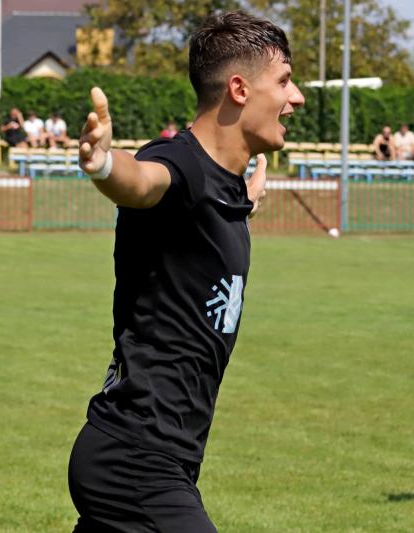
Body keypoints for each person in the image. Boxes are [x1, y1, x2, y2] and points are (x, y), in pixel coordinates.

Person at [68, 11, 305, 532]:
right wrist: (105, 164)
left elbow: (203, 208)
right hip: (135, 459)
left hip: (159, 456)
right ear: (239, 89)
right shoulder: (182, 164)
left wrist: (243, 201)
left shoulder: (221, 191)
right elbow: (143, 181)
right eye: (285, 81)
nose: (297, 97)